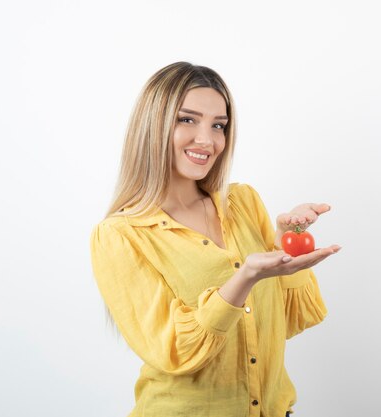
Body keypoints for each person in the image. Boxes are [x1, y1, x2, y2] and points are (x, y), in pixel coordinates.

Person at [89, 61, 341, 417]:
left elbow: (289, 321)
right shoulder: (119, 235)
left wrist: (285, 246)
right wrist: (244, 277)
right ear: (153, 125)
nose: (207, 140)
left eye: (218, 125)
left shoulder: (243, 203)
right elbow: (175, 351)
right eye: (187, 119)